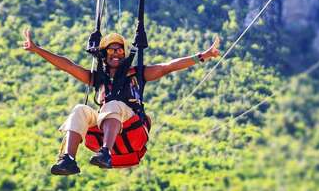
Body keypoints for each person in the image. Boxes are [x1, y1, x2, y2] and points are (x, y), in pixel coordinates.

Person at [22, 29, 220, 175]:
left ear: (124, 55)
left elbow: (167, 67)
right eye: (110, 50)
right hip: (107, 121)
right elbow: (67, 66)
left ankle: (105, 152)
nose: (115, 53)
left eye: (119, 50)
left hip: (131, 122)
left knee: (113, 104)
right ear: (104, 55)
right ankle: (68, 159)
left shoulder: (137, 74)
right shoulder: (97, 78)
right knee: (80, 109)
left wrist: (203, 56)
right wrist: (37, 49)